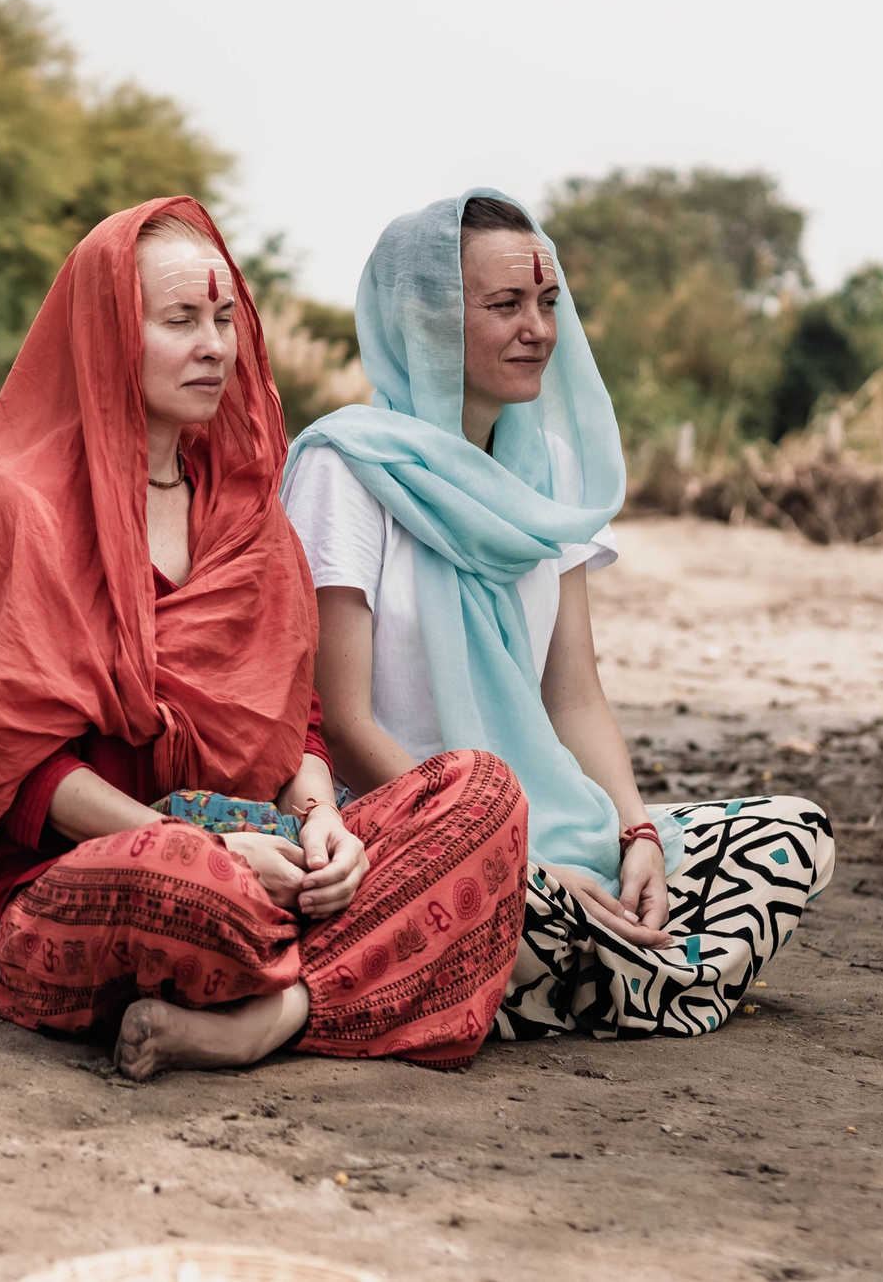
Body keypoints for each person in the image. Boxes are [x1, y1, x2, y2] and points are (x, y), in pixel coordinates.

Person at [0, 197, 531, 1078]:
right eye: (181, 320)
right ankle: (359, 969)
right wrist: (210, 847)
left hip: (262, 844)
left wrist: (321, 826)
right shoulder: (28, 506)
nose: (215, 346)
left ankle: (268, 1015)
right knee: (189, 892)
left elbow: (298, 726)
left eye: (226, 319)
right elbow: (18, 766)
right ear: (112, 332)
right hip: (91, 869)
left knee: (482, 792)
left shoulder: (246, 512)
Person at [284, 190, 835, 1039]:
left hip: (555, 834)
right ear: (425, 319)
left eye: (547, 302)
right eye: (504, 304)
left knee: (796, 838)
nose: (537, 329)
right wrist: (509, 851)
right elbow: (343, 720)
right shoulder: (345, 466)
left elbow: (573, 695)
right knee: (509, 903)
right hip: (415, 838)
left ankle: (542, 975)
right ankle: (599, 969)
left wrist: (637, 830)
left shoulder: (554, 474)